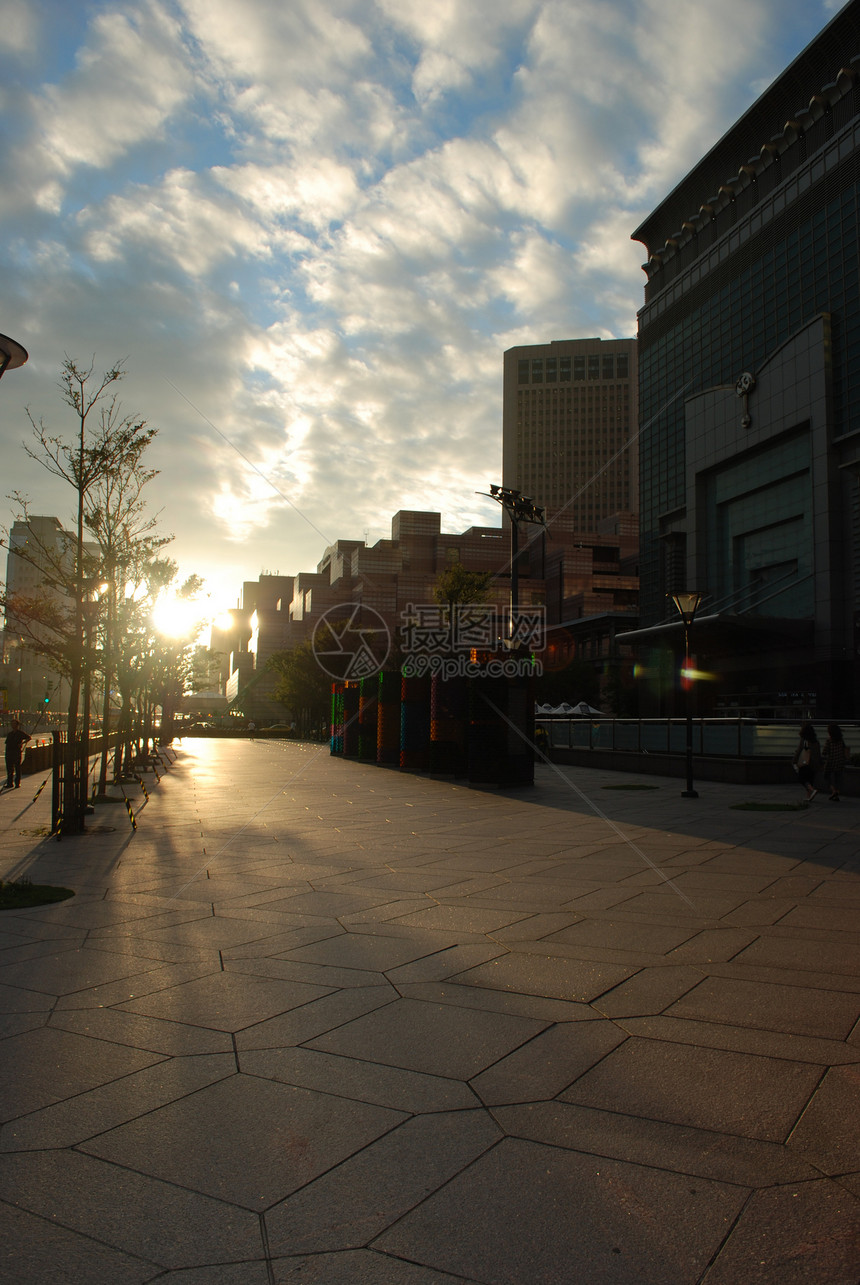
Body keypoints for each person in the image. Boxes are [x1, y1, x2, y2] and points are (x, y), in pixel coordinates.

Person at [792, 722, 822, 801]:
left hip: (805, 763)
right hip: (814, 764)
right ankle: (809, 796)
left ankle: (812, 790)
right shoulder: (816, 741)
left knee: (802, 778)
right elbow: (819, 754)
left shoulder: (804, 740)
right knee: (810, 779)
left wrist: (794, 761)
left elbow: (799, 751)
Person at [822, 722, 848, 801]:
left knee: (826, 777)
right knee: (838, 779)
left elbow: (825, 752)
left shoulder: (829, 741)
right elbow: (844, 749)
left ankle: (833, 791)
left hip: (831, 762)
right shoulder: (841, 740)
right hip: (840, 762)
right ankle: (836, 794)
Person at [4, 719, 31, 790]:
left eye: (14, 724)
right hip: (9, 752)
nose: (13, 725)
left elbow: (29, 738)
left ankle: (17, 783)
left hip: (16, 752)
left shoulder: (20, 733)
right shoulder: (10, 734)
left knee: (17, 768)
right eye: (12, 724)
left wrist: (22, 743)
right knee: (9, 769)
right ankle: (10, 783)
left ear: (17, 725)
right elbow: (7, 743)